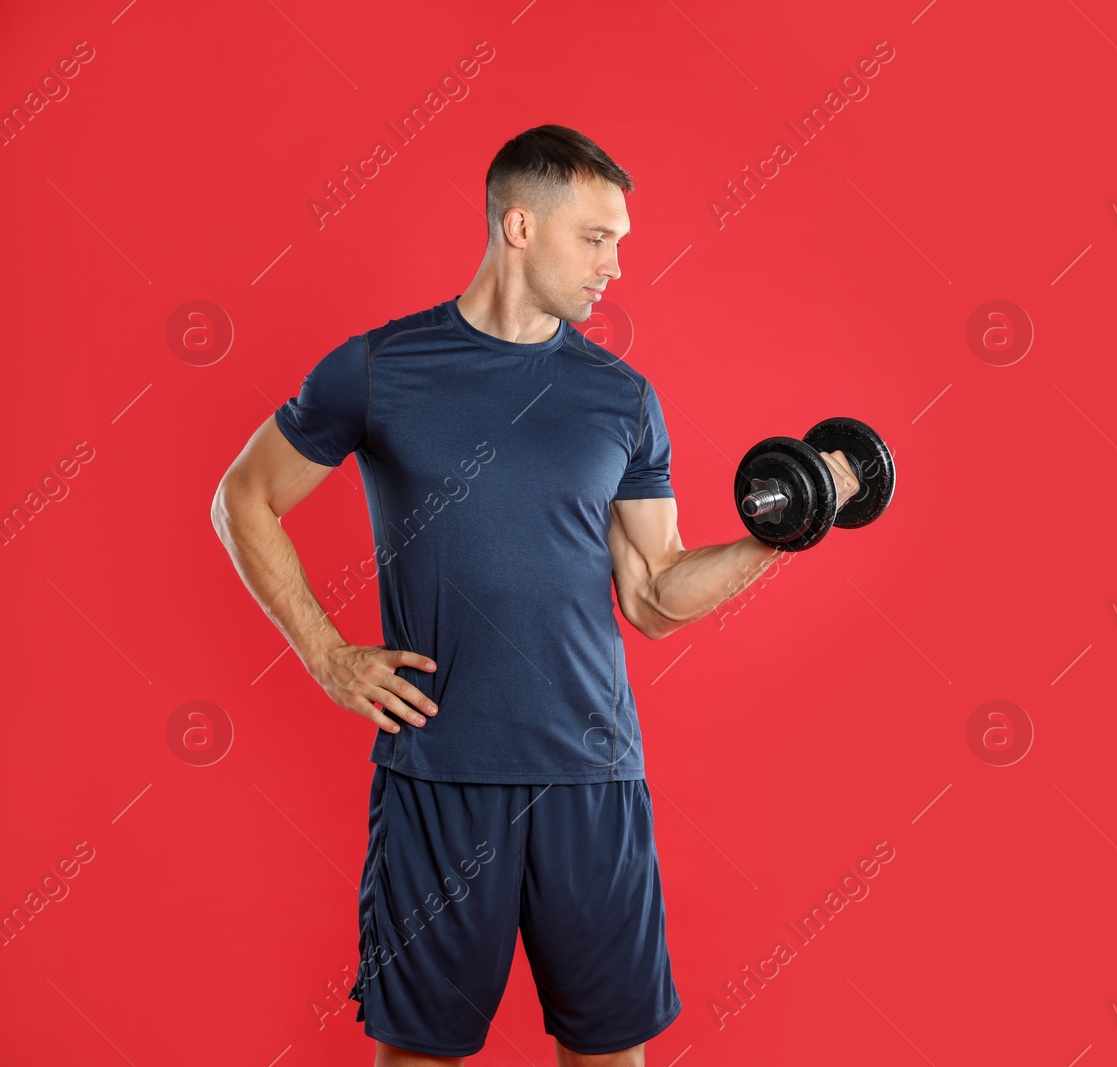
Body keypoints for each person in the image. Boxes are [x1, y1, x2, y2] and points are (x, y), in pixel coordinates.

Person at [210, 124, 859, 1067]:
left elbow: (655, 592)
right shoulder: (380, 369)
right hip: (437, 777)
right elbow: (246, 495)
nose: (616, 266)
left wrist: (787, 528)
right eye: (596, 239)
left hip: (590, 781)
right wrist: (325, 651)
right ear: (519, 225)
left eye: (621, 243)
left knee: (609, 1057)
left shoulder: (622, 398)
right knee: (419, 1056)